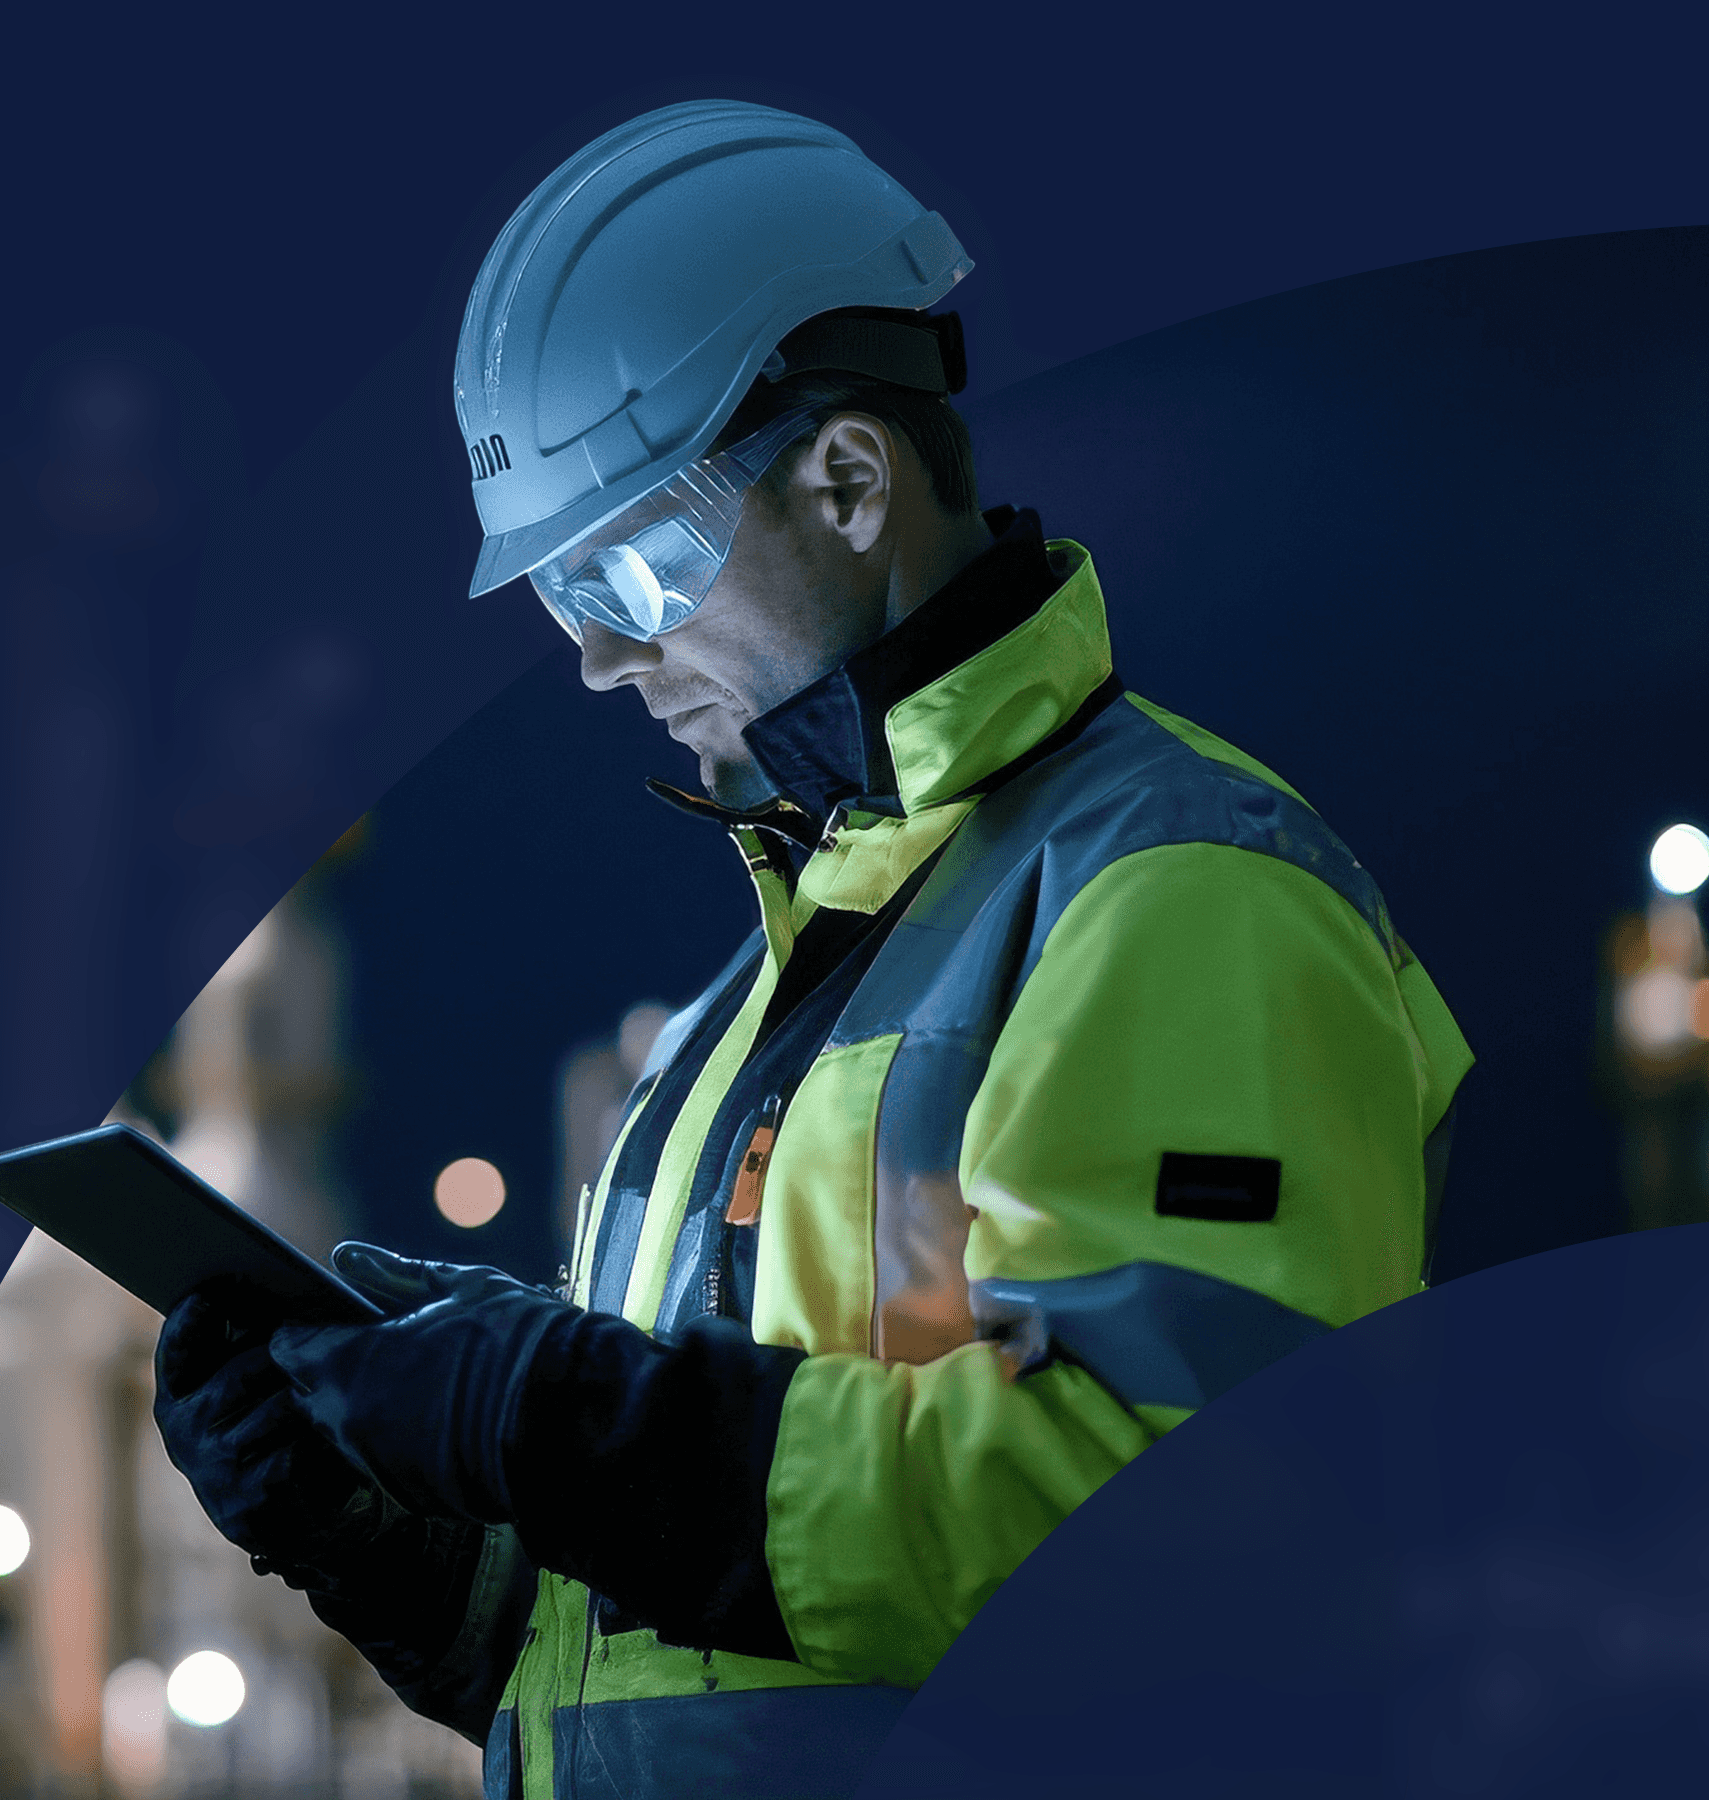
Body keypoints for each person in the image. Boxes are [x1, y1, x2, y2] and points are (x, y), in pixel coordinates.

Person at [152, 101, 1470, 1799]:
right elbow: (696, 1676)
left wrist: (559, 1420)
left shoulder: (1180, 896)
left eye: (632, 572)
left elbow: (1183, 1537)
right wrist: (398, 1537)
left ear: (849, 481)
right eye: (561, 602)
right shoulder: (753, 1009)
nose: (601, 660)